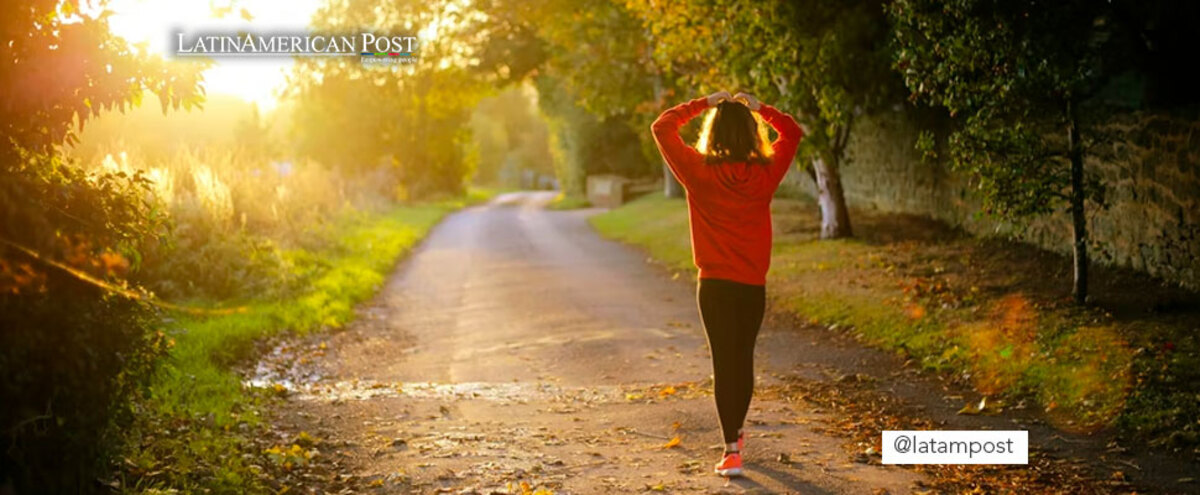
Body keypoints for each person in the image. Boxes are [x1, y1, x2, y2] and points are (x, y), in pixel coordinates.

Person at [650, 90, 804, 477]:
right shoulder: (766, 174)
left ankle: (731, 449)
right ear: (752, 134)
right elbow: (792, 132)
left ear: (713, 133)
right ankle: (735, 435)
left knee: (724, 363)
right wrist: (760, 108)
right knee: (743, 359)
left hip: (714, 286)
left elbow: (662, 127)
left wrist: (704, 103)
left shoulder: (698, 172)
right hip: (751, 285)